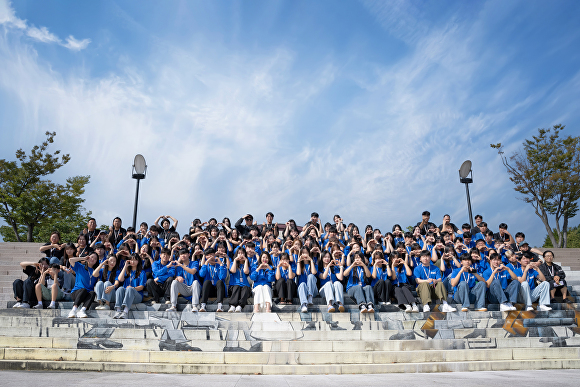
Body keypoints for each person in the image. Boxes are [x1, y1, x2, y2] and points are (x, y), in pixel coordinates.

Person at [113, 253, 147, 319]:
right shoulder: (127, 271)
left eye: (135, 260)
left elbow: (141, 287)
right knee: (120, 288)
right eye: (131, 260)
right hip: (126, 295)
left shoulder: (142, 272)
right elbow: (120, 279)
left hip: (137, 296)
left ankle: (125, 311)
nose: (133, 262)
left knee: (130, 289)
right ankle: (118, 310)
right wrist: (125, 266)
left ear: (138, 261)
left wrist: (133, 288)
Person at [68, 252, 100, 318]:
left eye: (95, 259)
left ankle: (82, 310)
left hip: (87, 296)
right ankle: (73, 310)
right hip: (76, 293)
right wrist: (83, 258)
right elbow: (70, 260)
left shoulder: (95, 272)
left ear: (96, 261)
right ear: (88, 257)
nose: (92, 259)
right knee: (83, 290)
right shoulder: (80, 267)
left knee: (92, 293)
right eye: (91, 257)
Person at [199, 248, 227, 312]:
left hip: (219, 291)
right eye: (208, 255)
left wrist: (221, 265)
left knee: (220, 282)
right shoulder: (205, 266)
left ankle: (220, 306)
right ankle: (203, 305)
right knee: (207, 282)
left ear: (215, 255)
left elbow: (222, 277)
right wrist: (205, 263)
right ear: (205, 256)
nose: (210, 256)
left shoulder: (220, 265)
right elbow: (201, 275)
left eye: (212, 254)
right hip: (208, 291)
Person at [228, 248, 252, 312]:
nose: (241, 255)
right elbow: (233, 271)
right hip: (234, 286)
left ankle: (240, 306)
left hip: (245, 286)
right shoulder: (232, 263)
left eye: (242, 253)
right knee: (237, 287)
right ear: (236, 254)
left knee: (246, 288)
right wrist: (235, 260)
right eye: (239, 253)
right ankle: (232, 306)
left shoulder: (247, 264)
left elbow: (246, 272)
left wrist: (246, 260)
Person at [295, 247, 318, 313]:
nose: (305, 254)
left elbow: (314, 272)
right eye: (303, 253)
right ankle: (304, 305)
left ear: (309, 254)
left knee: (311, 276)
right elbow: (298, 273)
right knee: (302, 284)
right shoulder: (299, 265)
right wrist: (299, 260)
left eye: (306, 253)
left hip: (313, 290)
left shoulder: (313, 264)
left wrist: (311, 260)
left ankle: (310, 297)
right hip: (302, 290)